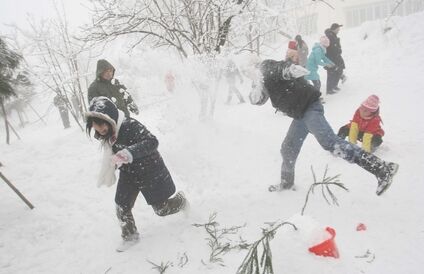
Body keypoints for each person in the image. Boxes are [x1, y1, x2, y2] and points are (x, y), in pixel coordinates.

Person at [249, 59, 398, 196]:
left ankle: (383, 169)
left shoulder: (265, 67)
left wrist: (289, 70)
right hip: (300, 115)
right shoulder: (260, 81)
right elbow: (257, 100)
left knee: (331, 143)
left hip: (309, 108)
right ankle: (287, 183)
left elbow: (280, 68)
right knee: (288, 148)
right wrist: (256, 85)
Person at [85, 96, 187, 251]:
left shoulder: (130, 125)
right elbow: (112, 149)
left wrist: (127, 153)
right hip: (130, 172)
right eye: (95, 125)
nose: (99, 129)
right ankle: (130, 236)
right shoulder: (107, 134)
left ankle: (181, 201)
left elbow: (152, 141)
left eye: (102, 124)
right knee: (121, 204)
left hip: (150, 170)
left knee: (162, 209)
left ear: (111, 118)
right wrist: (116, 161)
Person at [325, 23, 345, 94]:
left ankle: (334, 86)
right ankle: (329, 89)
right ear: (335, 29)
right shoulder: (330, 36)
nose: (339, 30)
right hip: (331, 58)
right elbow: (332, 48)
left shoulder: (333, 35)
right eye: (338, 29)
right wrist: (338, 50)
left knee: (338, 71)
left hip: (335, 57)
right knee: (331, 73)